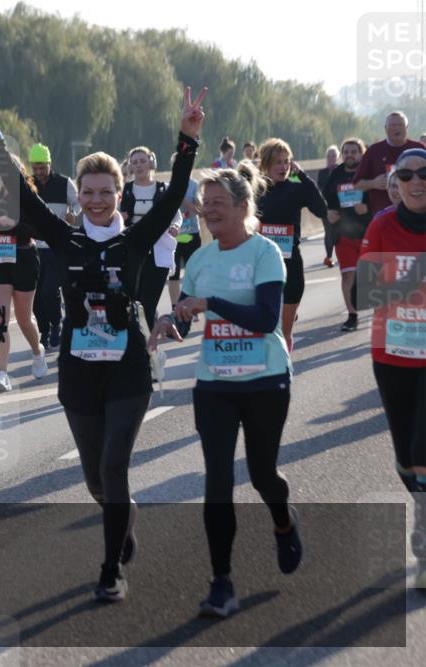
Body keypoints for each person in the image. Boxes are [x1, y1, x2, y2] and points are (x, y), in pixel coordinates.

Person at [0, 82, 207, 601]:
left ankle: (110, 571)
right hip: (78, 370)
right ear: (77, 196)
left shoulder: (137, 238)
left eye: (107, 191)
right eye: (89, 192)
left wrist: (187, 140)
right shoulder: (64, 237)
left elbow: (173, 195)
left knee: (113, 466)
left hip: (128, 366)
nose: (98, 200)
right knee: (96, 481)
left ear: (119, 194)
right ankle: (121, 514)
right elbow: (18, 189)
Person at [150, 163, 303, 619]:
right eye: (204, 202)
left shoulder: (265, 253)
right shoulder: (198, 260)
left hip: (265, 380)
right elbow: (184, 318)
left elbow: (264, 319)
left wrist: (210, 303)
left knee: (262, 475)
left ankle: (282, 521)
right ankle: (221, 583)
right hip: (215, 383)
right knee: (217, 481)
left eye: (218, 202)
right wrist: (168, 322)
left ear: (242, 206)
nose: (209, 209)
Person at [357, 147, 426, 590]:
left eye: (424, 173)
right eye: (408, 175)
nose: (417, 181)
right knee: (405, 459)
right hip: (391, 354)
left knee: (422, 453)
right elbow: (367, 293)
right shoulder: (382, 225)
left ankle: (422, 545)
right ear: (396, 184)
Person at [0, 152, 48, 393]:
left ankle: (37, 352)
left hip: (24, 258)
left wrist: (14, 225)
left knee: (24, 318)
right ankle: (2, 373)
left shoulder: (30, 198)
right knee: (0, 318)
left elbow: (40, 231)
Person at [255, 138, 327, 352]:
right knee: (266, 327)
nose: (284, 166)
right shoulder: (255, 190)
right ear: (266, 164)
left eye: (287, 161)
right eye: (278, 162)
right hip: (262, 264)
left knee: (285, 333)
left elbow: (322, 210)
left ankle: (283, 370)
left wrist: (303, 176)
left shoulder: (296, 188)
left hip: (291, 264)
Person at [120, 146, 183, 328]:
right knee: (134, 300)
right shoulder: (126, 190)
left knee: (148, 302)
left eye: (142, 161)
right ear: (130, 166)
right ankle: (141, 342)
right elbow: (115, 216)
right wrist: (119, 218)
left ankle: (147, 347)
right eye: (134, 162)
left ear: (151, 163)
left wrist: (175, 226)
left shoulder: (164, 189)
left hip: (159, 249)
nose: (139, 165)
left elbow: (176, 215)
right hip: (133, 250)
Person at [29, 142, 80, 349]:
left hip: (56, 246)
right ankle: (44, 330)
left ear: (50, 163)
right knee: (35, 295)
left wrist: (73, 214)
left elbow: (77, 203)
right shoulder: (28, 184)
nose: (40, 172)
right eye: (36, 167)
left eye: (43, 167)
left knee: (50, 290)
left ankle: (56, 325)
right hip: (33, 247)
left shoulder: (65, 183)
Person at [323, 139, 373, 331]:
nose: (350, 155)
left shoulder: (368, 174)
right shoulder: (336, 174)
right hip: (343, 233)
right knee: (347, 276)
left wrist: (367, 209)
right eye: (347, 152)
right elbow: (323, 198)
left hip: (367, 232)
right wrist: (327, 213)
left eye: (354, 151)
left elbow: (382, 198)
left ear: (361, 153)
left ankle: (381, 312)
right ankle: (352, 316)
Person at [353, 112, 426, 216]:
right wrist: (373, 183)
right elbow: (356, 185)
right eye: (392, 125)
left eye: (400, 125)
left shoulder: (419, 148)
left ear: (406, 127)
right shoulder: (374, 150)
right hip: (384, 215)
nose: (396, 128)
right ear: (385, 128)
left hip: (417, 214)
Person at [169, 158, 202, 308]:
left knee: (192, 273)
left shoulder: (194, 185)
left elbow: (200, 211)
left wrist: (182, 199)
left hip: (191, 234)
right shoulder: (168, 186)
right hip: (175, 236)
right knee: (173, 274)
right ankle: (175, 306)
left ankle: (191, 305)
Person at [317, 145, 340, 267]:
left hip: (340, 207)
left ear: (338, 157)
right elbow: (319, 188)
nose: (331, 158)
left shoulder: (341, 170)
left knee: (340, 231)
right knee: (328, 232)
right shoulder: (322, 172)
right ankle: (329, 256)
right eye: (329, 156)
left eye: (334, 156)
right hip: (326, 207)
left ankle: (341, 255)